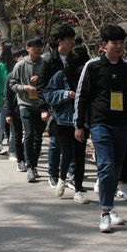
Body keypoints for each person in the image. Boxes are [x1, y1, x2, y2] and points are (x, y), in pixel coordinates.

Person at [74, 25, 127, 233]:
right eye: (115, 43)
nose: (120, 47)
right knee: (106, 165)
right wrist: (79, 125)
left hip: (123, 123)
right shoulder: (93, 66)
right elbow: (82, 96)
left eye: (122, 43)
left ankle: (110, 206)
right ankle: (105, 212)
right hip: (100, 123)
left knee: (115, 167)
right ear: (104, 45)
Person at [44, 46, 90, 204]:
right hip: (64, 121)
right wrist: (65, 94)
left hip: (83, 122)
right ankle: (62, 179)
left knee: (80, 156)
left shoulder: (88, 75)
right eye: (78, 64)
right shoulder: (60, 75)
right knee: (67, 154)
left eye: (83, 64)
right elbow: (48, 94)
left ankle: (78, 189)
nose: (81, 68)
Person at [37, 25, 76, 189]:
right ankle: (53, 173)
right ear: (60, 41)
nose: (73, 42)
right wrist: (43, 108)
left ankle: (74, 175)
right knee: (55, 142)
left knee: (76, 140)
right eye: (69, 40)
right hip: (55, 106)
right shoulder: (48, 60)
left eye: (74, 39)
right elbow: (41, 85)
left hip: (74, 107)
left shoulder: (78, 57)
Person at [9, 37, 45, 182]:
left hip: (41, 105)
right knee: (29, 134)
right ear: (27, 48)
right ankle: (29, 166)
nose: (37, 49)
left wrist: (41, 78)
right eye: (34, 46)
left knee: (38, 137)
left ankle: (34, 165)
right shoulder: (20, 65)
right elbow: (12, 83)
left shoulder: (45, 64)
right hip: (25, 104)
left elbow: (53, 80)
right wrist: (24, 87)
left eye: (39, 46)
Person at [5, 49, 28, 172]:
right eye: (22, 56)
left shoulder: (32, 73)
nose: (25, 58)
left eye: (26, 55)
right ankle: (21, 160)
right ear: (16, 59)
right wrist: (8, 113)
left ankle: (29, 160)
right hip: (16, 110)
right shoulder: (11, 75)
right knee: (17, 136)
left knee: (31, 136)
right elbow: (7, 96)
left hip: (30, 108)